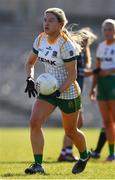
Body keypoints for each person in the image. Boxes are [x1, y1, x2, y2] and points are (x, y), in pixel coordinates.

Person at [24, 7, 91, 174]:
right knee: (34, 122)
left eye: (50, 20)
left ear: (60, 24)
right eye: (45, 19)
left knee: (70, 131)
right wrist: (30, 79)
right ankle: (38, 165)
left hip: (67, 91)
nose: (46, 23)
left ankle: (84, 155)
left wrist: (59, 92)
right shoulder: (40, 39)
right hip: (48, 90)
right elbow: (30, 63)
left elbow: (72, 75)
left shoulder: (66, 45)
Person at [58, 27, 97, 162]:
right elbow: (74, 72)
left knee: (75, 124)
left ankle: (66, 151)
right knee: (76, 124)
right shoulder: (74, 50)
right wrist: (97, 71)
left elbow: (81, 72)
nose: (85, 43)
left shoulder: (82, 53)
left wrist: (94, 72)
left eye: (87, 41)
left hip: (76, 92)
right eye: (84, 39)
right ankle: (66, 152)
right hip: (72, 92)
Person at [90, 19, 115, 161]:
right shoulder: (100, 47)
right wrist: (93, 87)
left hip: (113, 82)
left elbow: (107, 69)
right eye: (105, 29)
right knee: (107, 122)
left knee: (113, 120)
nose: (107, 32)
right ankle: (111, 154)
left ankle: (112, 153)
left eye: (110, 29)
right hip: (102, 84)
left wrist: (110, 70)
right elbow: (97, 69)